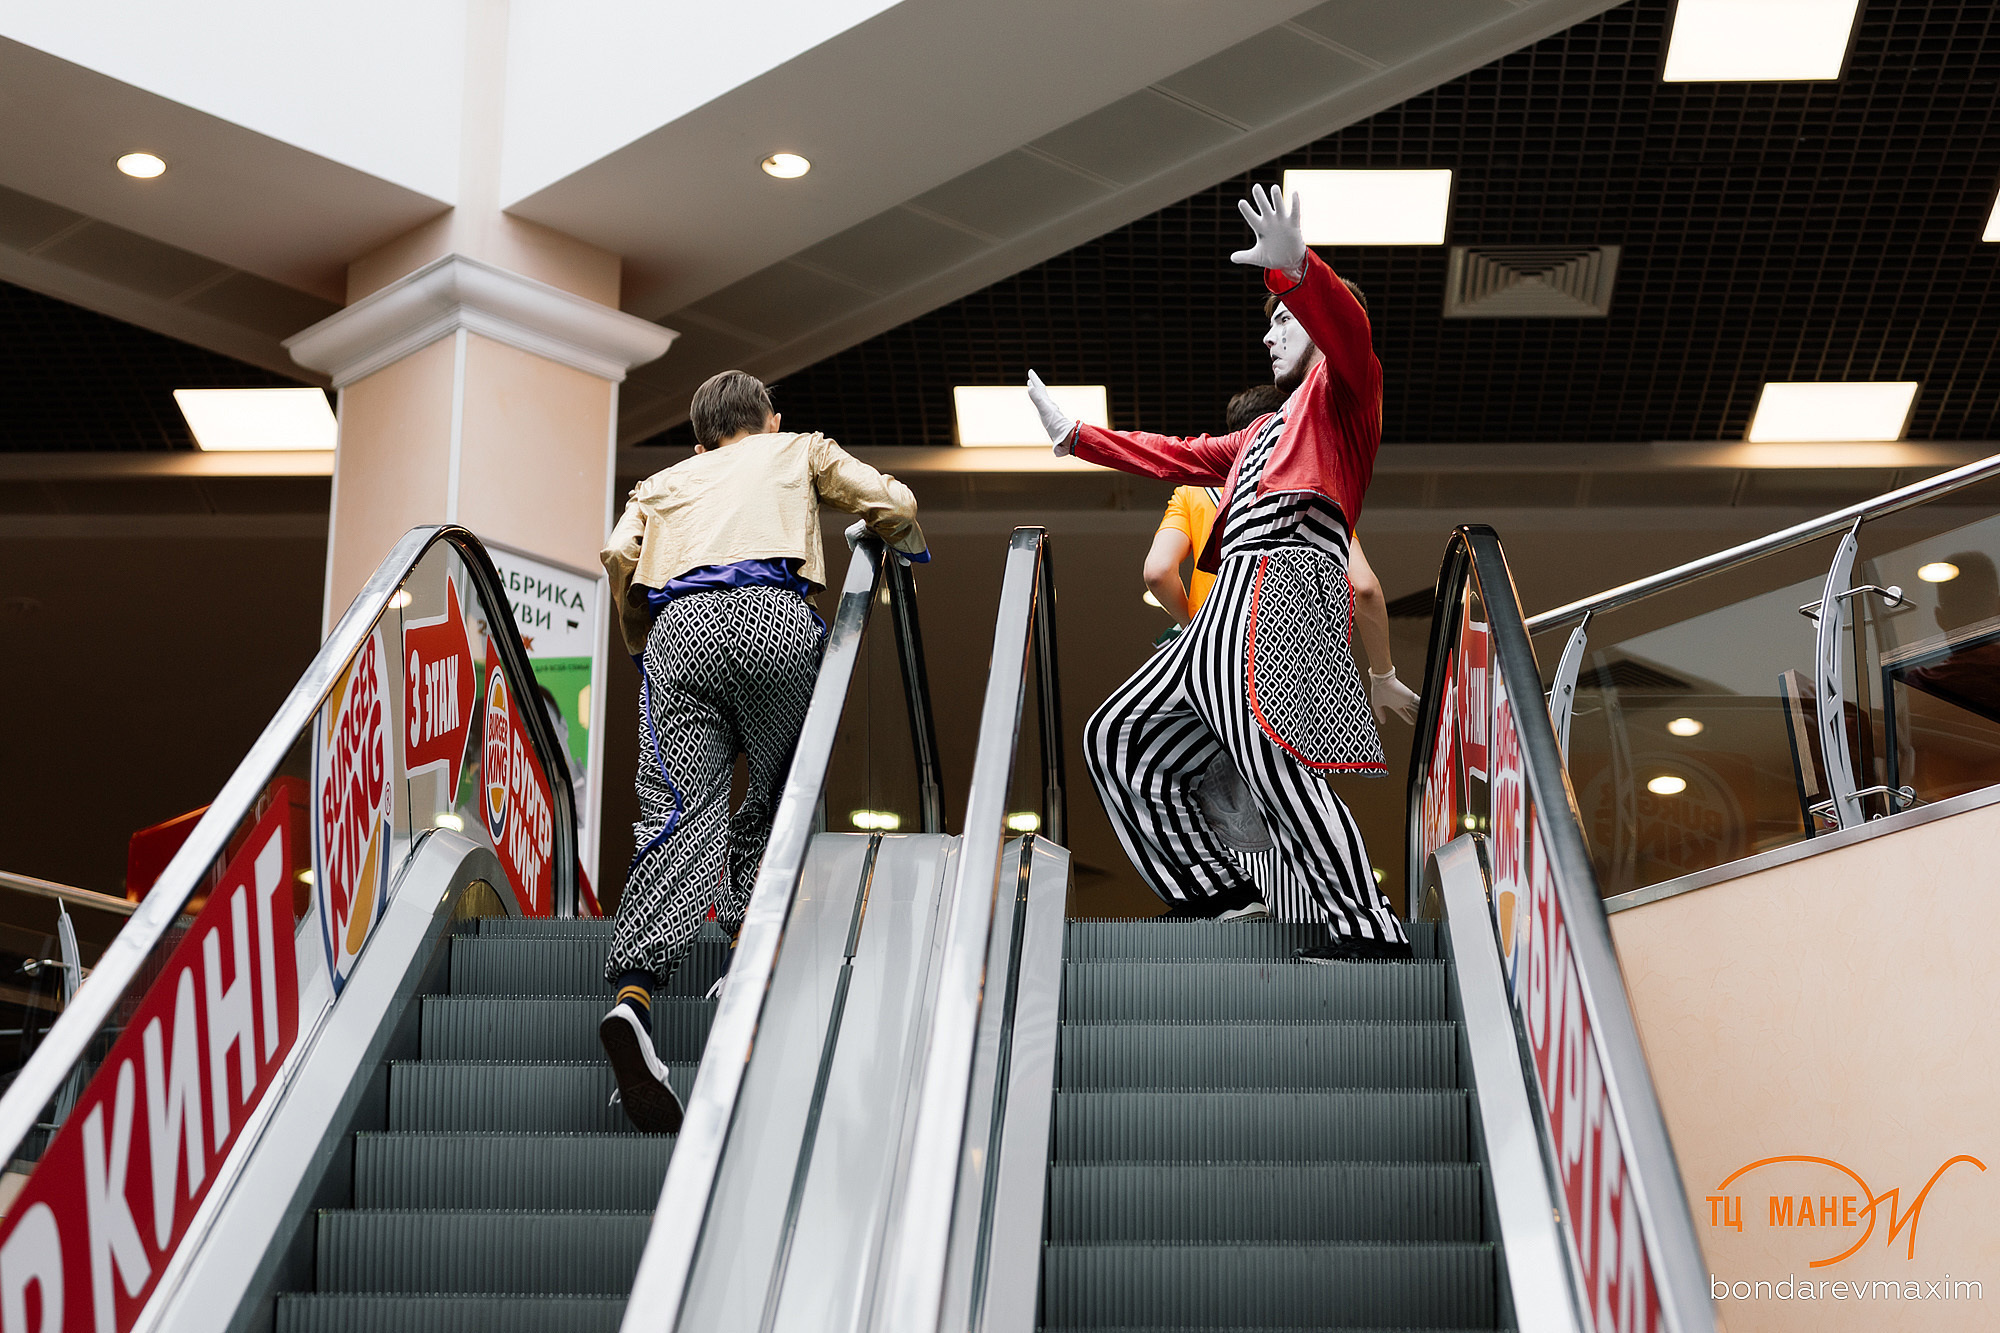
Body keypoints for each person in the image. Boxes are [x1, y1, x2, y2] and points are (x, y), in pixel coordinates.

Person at [1028, 184, 1414, 960]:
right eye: (1269, 323)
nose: (1270, 336)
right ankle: (1218, 893)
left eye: (1282, 324)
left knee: (1274, 767)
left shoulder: (1348, 394)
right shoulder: (1259, 431)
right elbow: (1172, 453)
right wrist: (1078, 437)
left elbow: (1350, 329)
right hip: (1226, 603)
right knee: (1121, 734)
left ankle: (1366, 924)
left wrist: (1295, 274)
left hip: (1285, 584)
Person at [597, 370, 928, 1130]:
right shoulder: (797, 449)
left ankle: (636, 997)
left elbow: (619, 557)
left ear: (699, 438)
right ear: (770, 418)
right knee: (777, 792)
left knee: (678, 814)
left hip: (680, 630)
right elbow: (895, 502)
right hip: (775, 617)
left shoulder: (663, 480)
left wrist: (641, 634)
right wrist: (898, 541)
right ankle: (749, 956)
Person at [1143, 384, 1419, 922]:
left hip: (1211, 678)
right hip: (1286, 658)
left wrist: (1201, 631)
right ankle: (1316, 933)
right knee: (1292, 800)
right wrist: (1381, 672)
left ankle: (1238, 921)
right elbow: (1363, 588)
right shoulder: (1313, 483)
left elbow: (1156, 572)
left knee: (1221, 803)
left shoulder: (1194, 491)